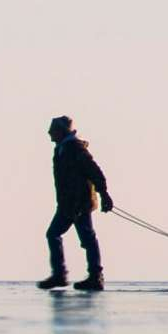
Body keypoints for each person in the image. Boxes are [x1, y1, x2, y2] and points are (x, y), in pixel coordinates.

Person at [37, 116, 113, 291]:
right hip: (67, 204)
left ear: (61, 131)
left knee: (76, 236)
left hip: (78, 203)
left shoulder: (75, 149)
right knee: (70, 236)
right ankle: (74, 275)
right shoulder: (62, 149)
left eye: (53, 129)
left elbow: (95, 171)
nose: (49, 133)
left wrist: (104, 194)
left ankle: (87, 276)